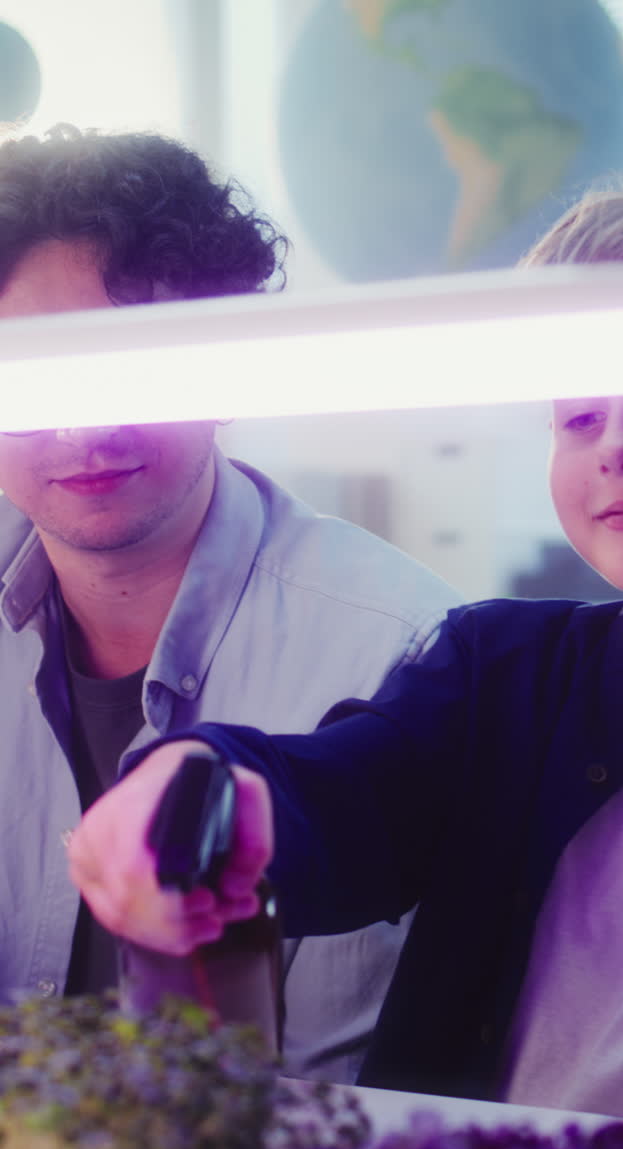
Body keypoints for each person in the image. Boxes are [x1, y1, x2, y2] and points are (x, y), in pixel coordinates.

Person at [68, 188, 623, 1124]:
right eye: (578, 415)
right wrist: (207, 779)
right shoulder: (500, 668)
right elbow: (346, 795)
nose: (618, 445)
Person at [0, 123, 463, 1082]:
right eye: (37, 375)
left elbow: (330, 1090)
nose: (88, 424)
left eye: (136, 366)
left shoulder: (398, 651)